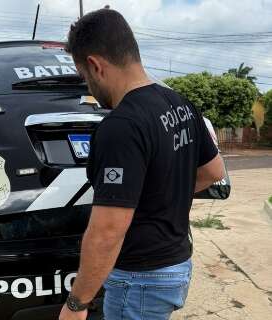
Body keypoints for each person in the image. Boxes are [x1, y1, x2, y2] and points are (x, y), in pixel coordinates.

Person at [59, 8, 225, 320]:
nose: (88, 87)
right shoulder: (181, 104)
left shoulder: (121, 126)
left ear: (95, 65)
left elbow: (107, 232)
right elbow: (213, 172)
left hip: (140, 280)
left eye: (84, 77)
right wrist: (161, 198)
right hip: (176, 265)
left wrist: (76, 305)